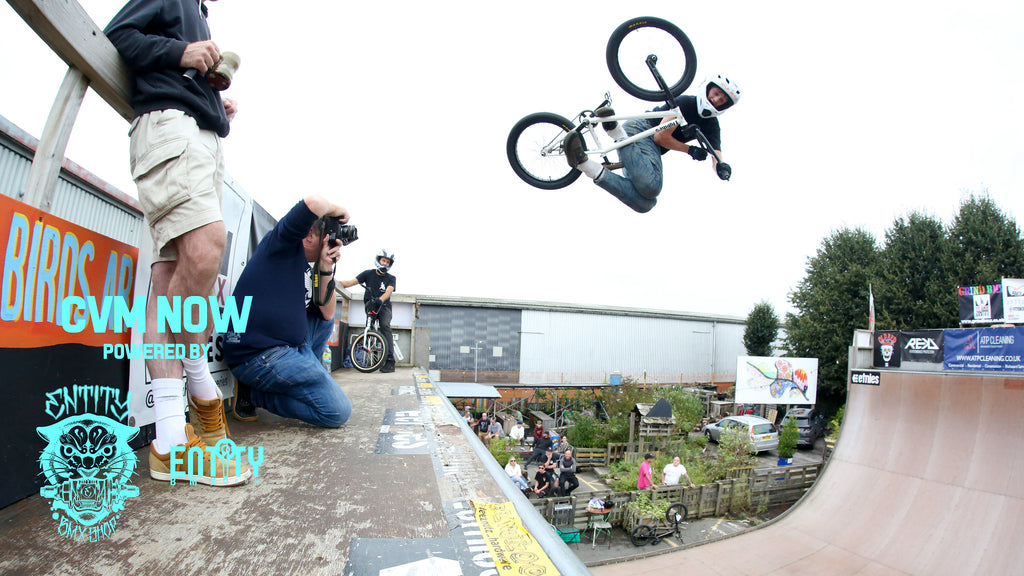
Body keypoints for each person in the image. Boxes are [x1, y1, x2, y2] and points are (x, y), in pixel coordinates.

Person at [105, 0, 246, 487]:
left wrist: (212, 100)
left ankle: (168, 438)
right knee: (208, 248)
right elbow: (118, 35)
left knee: (170, 277)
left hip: (199, 136)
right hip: (170, 128)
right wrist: (183, 52)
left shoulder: (198, 10)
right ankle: (198, 398)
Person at [222, 196, 354, 430]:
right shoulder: (282, 243)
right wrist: (337, 210)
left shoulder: (307, 266)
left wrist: (325, 267)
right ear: (309, 235)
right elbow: (313, 203)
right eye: (326, 234)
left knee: (322, 320)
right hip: (257, 355)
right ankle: (253, 395)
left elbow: (327, 313)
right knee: (337, 411)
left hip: (290, 347)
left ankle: (305, 379)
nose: (331, 241)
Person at [563, 74, 740, 213]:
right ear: (708, 89)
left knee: (645, 204)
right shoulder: (686, 103)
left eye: (722, 100)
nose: (716, 100)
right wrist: (690, 150)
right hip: (641, 131)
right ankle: (616, 132)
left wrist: (721, 168)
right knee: (652, 186)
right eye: (716, 94)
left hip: (646, 149)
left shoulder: (711, 125)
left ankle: (585, 164)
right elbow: (661, 137)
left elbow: (716, 153)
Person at [339, 249, 397, 372]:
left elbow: (388, 291)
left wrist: (380, 300)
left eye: (388, 262)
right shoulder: (368, 274)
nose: (385, 263)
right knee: (369, 328)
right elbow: (350, 282)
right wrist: (334, 282)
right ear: (378, 260)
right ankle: (373, 359)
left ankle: (390, 361)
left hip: (384, 306)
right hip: (371, 305)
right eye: (383, 260)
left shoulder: (391, 278)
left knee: (385, 326)